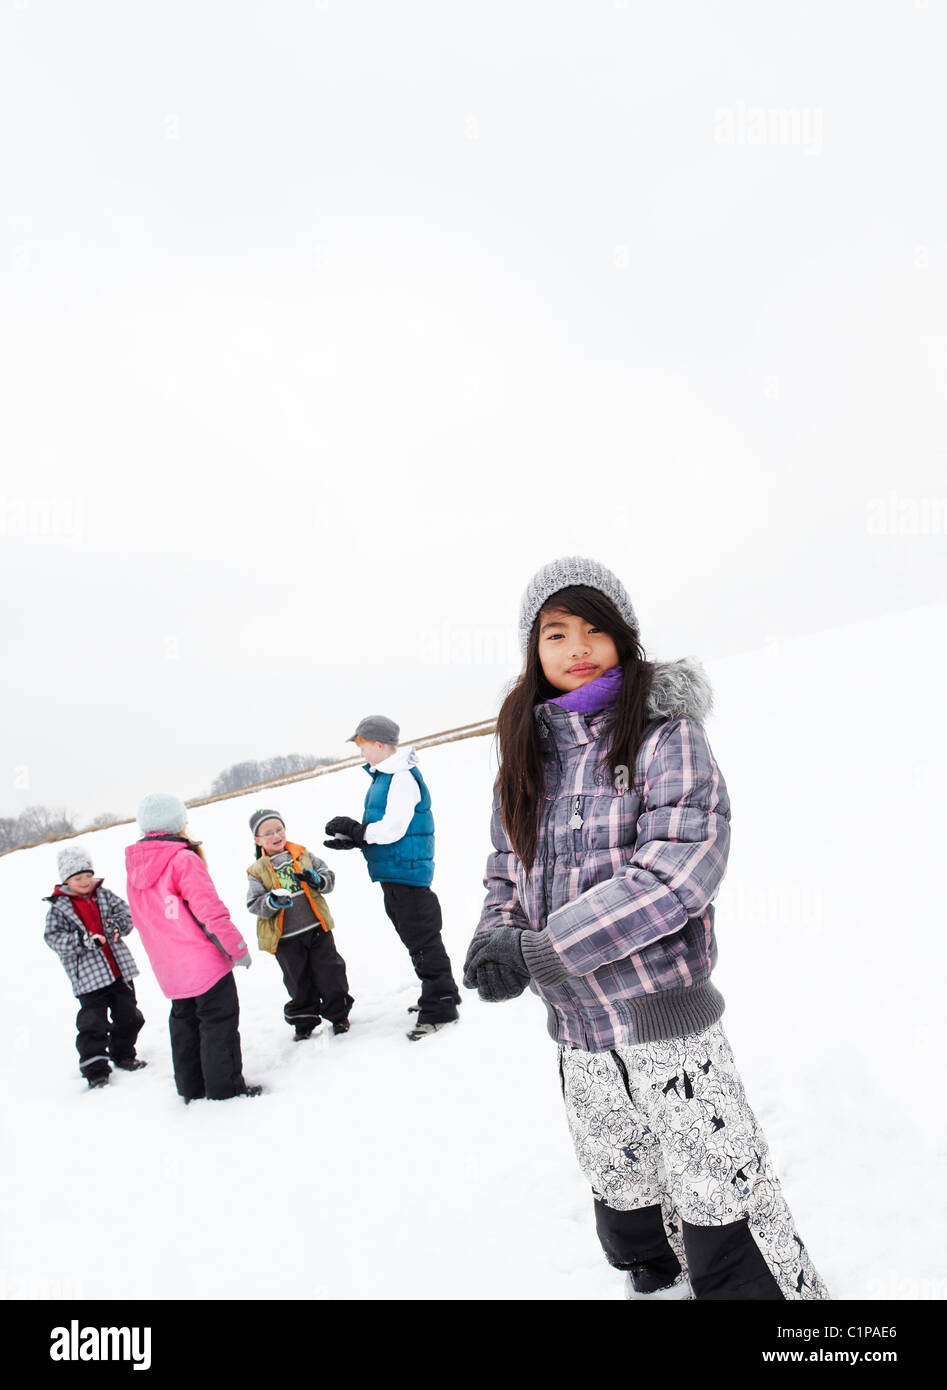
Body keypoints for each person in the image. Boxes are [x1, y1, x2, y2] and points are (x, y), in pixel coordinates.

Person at [463, 556, 829, 1301]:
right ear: (532, 650)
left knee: (716, 1185)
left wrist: (542, 949)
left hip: (664, 1020)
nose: (576, 648)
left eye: (594, 629)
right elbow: (506, 866)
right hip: (576, 1030)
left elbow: (678, 872)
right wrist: (492, 935)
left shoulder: (665, 736)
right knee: (621, 1169)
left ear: (623, 638)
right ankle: (655, 1279)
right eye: (556, 633)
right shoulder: (524, 759)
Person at [324, 715, 461, 1041]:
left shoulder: (400, 777)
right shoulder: (385, 776)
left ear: (379, 744)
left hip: (407, 874)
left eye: (361, 744)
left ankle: (441, 1004)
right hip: (396, 871)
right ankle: (443, 991)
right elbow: (383, 830)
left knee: (422, 939)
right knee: (418, 939)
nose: (360, 752)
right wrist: (355, 840)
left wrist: (359, 832)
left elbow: (393, 828)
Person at [125, 793, 261, 1102]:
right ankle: (225, 1089)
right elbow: (209, 911)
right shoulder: (182, 858)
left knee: (184, 1025)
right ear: (177, 822)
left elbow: (146, 919)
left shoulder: (136, 866)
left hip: (170, 968)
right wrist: (236, 948)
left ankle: (191, 1087)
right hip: (204, 964)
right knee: (218, 1024)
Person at [43, 844, 146, 1088]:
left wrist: (116, 927)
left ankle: (123, 1054)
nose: (85, 881)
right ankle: (96, 1069)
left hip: (118, 970)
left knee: (129, 1015)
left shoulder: (104, 894)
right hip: (89, 979)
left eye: (88, 876)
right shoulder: (59, 908)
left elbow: (127, 915)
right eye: (78, 878)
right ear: (66, 879)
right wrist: (82, 941)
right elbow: (53, 938)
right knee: (93, 1024)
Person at [246, 807, 353, 1039]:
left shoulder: (303, 854)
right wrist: (272, 901)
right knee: (298, 982)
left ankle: (339, 1014)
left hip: (317, 930)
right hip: (286, 939)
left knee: (331, 973)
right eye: (268, 833)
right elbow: (254, 904)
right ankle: (303, 1022)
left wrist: (317, 879)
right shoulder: (257, 871)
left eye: (279, 829)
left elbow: (328, 878)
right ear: (257, 839)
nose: (276, 836)